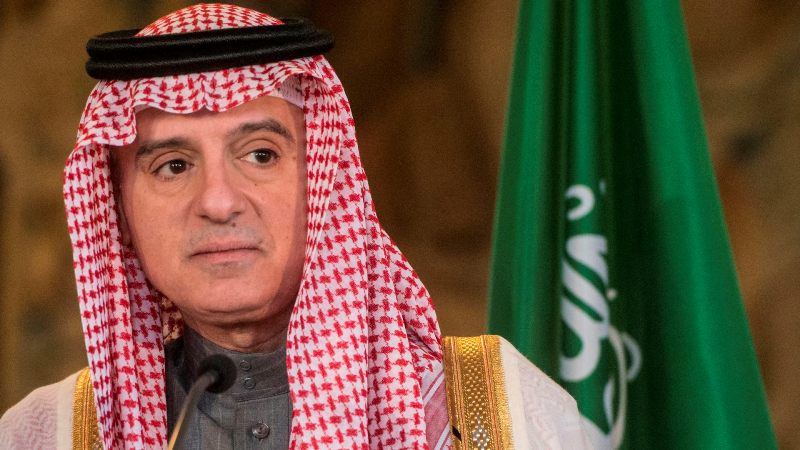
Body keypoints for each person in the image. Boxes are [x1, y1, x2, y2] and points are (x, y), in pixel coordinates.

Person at [0, 4, 591, 449]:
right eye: (173, 166)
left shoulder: (496, 412)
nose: (218, 202)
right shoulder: (49, 434)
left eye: (260, 155)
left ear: (325, 183)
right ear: (121, 214)